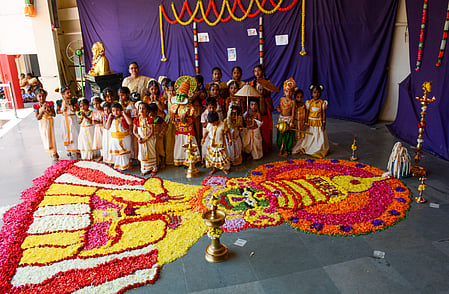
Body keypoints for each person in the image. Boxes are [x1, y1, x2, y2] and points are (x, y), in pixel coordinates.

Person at [292, 84, 329, 158]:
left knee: (318, 136)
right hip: (310, 122)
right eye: (314, 92)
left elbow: (323, 114)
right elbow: (307, 113)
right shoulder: (309, 103)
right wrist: (306, 122)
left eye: (318, 92)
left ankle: (317, 149)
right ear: (312, 93)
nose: (316, 94)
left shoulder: (322, 103)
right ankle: (307, 147)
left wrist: (323, 123)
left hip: (318, 123)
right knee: (309, 136)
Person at [248, 64, 275, 153]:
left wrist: (264, 96)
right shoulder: (252, 83)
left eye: (259, 71)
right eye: (255, 71)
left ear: (262, 72)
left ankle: (267, 147)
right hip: (257, 105)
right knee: (258, 128)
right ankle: (258, 148)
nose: (257, 73)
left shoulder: (267, 82)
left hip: (265, 106)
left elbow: (269, 94)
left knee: (266, 128)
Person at [202, 111, 231, 175]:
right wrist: (203, 139)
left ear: (217, 119)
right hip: (212, 144)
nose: (213, 124)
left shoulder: (223, 125)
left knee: (222, 158)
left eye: (214, 123)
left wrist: (229, 140)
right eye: (211, 123)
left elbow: (227, 132)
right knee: (213, 158)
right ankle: (214, 169)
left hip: (221, 145)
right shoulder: (209, 125)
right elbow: (206, 132)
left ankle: (224, 169)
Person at [105, 103, 133, 170]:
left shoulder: (123, 118)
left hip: (124, 138)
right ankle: (120, 165)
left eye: (117, 110)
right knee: (118, 153)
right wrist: (109, 117)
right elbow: (107, 127)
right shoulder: (112, 119)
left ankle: (127, 165)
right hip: (115, 139)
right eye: (113, 111)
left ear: (121, 110)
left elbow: (130, 123)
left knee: (125, 153)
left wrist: (124, 114)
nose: (116, 112)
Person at [33, 89, 59, 161]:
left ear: (46, 96)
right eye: (39, 96)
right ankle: (52, 152)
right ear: (36, 97)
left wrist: (48, 111)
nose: (41, 98)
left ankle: (54, 152)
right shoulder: (36, 106)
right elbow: (38, 117)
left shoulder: (50, 104)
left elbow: (54, 114)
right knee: (46, 138)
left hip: (49, 122)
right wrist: (42, 111)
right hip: (42, 123)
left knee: (51, 137)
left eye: (43, 96)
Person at [133, 102, 157, 176]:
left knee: (151, 152)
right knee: (142, 153)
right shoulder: (136, 120)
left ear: (147, 111)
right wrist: (139, 137)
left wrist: (146, 138)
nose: (141, 110)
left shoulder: (150, 119)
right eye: (140, 108)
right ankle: (145, 169)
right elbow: (134, 131)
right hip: (141, 140)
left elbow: (152, 131)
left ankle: (153, 168)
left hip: (149, 139)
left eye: (143, 108)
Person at [56, 86, 80, 157]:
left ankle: (76, 150)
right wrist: (62, 110)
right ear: (63, 94)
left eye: (70, 92)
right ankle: (68, 149)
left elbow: (78, 108)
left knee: (75, 133)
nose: (69, 94)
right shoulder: (60, 102)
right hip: (65, 120)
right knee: (66, 134)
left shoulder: (73, 100)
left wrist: (74, 108)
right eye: (67, 93)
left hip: (72, 119)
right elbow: (57, 112)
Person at [276, 78, 296, 156]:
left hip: (288, 119)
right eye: (287, 91)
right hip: (281, 119)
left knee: (287, 135)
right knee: (281, 135)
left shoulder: (293, 102)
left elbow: (293, 113)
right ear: (284, 91)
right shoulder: (281, 99)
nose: (288, 93)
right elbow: (278, 107)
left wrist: (292, 122)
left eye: (290, 91)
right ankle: (281, 149)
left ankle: (287, 150)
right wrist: (278, 109)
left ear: (293, 92)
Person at [201, 97, 223, 164]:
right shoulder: (204, 114)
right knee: (205, 147)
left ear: (216, 107)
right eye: (210, 108)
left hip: (215, 133)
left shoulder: (217, 114)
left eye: (213, 108)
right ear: (206, 106)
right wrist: (209, 121)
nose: (212, 109)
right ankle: (204, 161)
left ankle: (215, 162)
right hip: (207, 133)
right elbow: (203, 125)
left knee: (215, 149)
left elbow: (220, 124)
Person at [148, 102, 168, 170]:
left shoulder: (158, 119)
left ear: (155, 112)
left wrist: (162, 133)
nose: (149, 114)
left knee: (160, 149)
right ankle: (155, 162)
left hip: (158, 136)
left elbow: (166, 126)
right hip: (151, 137)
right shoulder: (148, 119)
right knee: (153, 149)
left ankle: (162, 162)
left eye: (150, 112)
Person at [164, 81, 176, 165]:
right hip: (169, 119)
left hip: (177, 120)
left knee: (176, 140)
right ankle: (169, 159)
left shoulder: (180, 98)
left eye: (173, 90)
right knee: (168, 140)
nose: (172, 92)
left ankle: (177, 158)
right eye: (170, 90)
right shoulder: (168, 96)